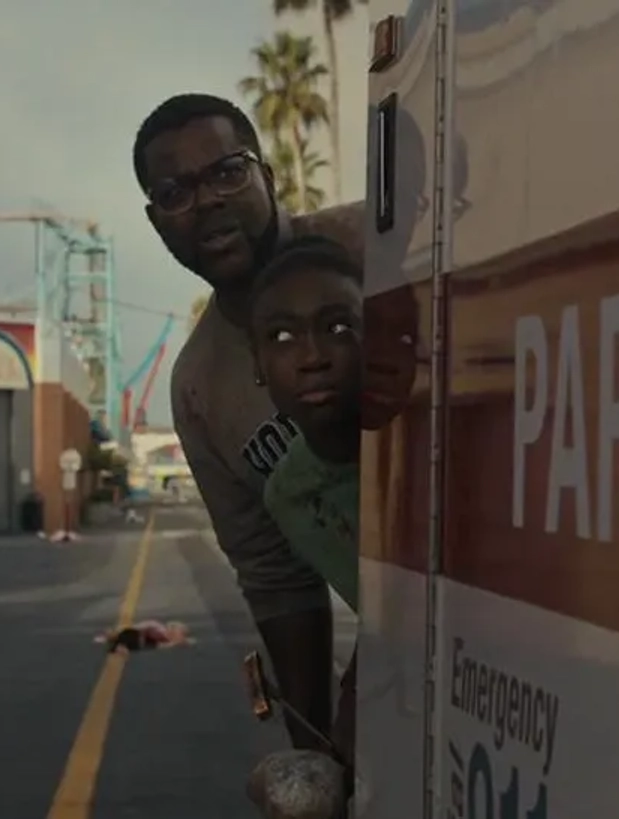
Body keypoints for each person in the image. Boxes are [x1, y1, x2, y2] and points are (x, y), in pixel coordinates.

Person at [134, 92, 363, 753]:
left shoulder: (380, 241)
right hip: (409, 644)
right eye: (176, 190)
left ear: (267, 175)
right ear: (156, 220)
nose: (207, 201)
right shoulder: (200, 387)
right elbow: (276, 579)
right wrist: (315, 754)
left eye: (228, 171)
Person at [248, 235, 424, 777]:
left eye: (338, 327)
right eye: (282, 336)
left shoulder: (428, 441)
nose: (312, 358)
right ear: (257, 366)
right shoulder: (291, 495)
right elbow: (384, 618)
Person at [94, 620, 194, 654]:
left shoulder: (160, 630)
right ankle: (116, 643)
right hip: (139, 636)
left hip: (139, 637)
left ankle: (116, 643)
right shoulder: (159, 630)